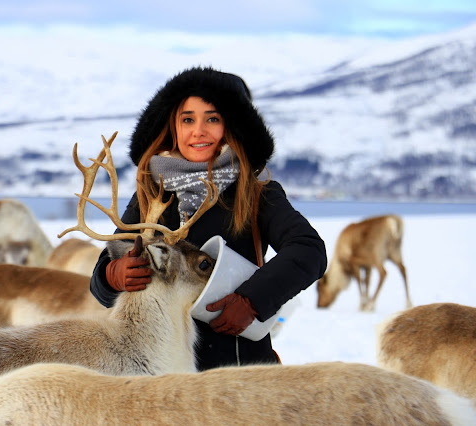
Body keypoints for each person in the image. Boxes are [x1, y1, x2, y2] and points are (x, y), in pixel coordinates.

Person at [89, 66, 327, 370]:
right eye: (187, 119)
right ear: (172, 126)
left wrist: (251, 300)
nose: (198, 130)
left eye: (212, 119)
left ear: (233, 127)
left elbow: (308, 250)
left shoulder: (256, 194)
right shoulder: (151, 192)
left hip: (239, 371)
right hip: (163, 374)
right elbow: (107, 272)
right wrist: (112, 276)